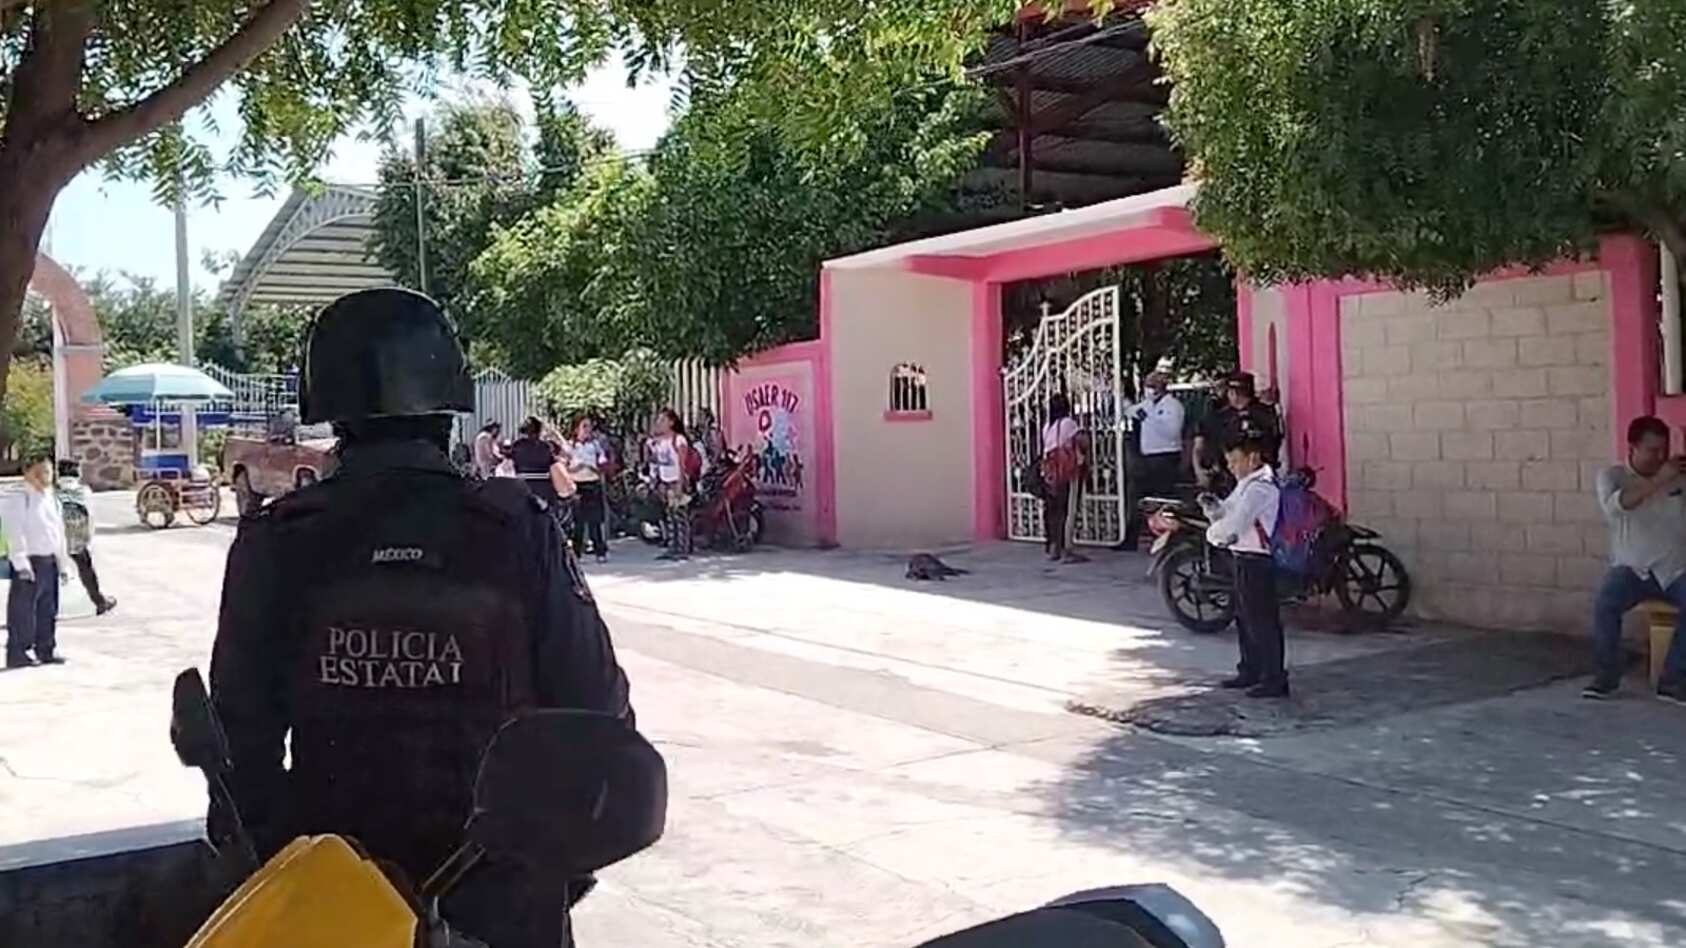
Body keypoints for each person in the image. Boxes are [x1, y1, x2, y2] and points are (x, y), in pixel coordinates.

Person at [208, 288, 634, 948]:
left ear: (326, 407)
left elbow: (240, 748)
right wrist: (548, 875)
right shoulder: (515, 530)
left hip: (334, 904)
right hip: (502, 901)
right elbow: (598, 714)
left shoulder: (278, 540)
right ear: (449, 403)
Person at [1584, 416, 1686, 703]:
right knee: (1605, 604)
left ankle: (1673, 678)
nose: (1659, 457)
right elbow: (1619, 507)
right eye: (1652, 450)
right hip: (1631, 568)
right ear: (1633, 448)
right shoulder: (1613, 476)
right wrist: (1659, 479)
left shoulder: (1677, 475)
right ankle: (1606, 676)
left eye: (1663, 450)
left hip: (1674, 567)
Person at [1204, 433, 1288, 698]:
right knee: (1244, 617)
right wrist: (1213, 509)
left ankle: (1274, 677)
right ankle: (1250, 669)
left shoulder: (1260, 488)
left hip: (1258, 560)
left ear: (1253, 458)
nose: (1231, 467)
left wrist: (1212, 534)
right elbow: (1227, 511)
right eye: (1228, 462)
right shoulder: (1244, 485)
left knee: (1262, 621)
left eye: (1235, 460)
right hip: (1241, 557)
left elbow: (1235, 524)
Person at [3, 451, 69, 668]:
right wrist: (21, 562)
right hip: (30, 561)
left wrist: (62, 562)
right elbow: (15, 532)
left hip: (49, 559)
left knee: (47, 609)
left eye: (48, 472)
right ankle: (18, 652)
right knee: (23, 610)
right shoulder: (20, 497)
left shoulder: (50, 497)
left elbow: (57, 531)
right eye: (40, 472)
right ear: (28, 473)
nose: (45, 477)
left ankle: (45, 648)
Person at [1119, 369, 1185, 549]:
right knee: (1138, 498)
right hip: (1147, 458)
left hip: (1166, 457)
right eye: (1147, 385)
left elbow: (1171, 431)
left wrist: (1149, 419)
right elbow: (1131, 411)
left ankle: (1169, 540)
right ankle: (1130, 540)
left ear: (1161, 388)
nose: (1149, 390)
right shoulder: (1148, 405)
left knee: (1164, 500)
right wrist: (1126, 405)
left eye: (1152, 386)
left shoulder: (1173, 406)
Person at [1194, 371, 1282, 488]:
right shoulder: (1267, 413)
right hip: (1263, 476)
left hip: (1239, 479)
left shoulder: (1225, 417)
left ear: (1233, 393)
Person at [56, 459, 116, 616]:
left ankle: (42, 608)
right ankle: (100, 602)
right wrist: (89, 539)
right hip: (78, 537)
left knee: (47, 574)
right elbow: (91, 517)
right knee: (86, 571)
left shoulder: (52, 492)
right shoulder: (84, 491)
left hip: (55, 537)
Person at [1040, 393, 1086, 564]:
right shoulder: (1068, 424)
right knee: (1067, 509)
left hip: (1050, 472)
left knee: (1052, 510)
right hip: (1066, 471)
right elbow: (1081, 442)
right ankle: (1067, 548)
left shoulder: (1047, 426)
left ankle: (1053, 546)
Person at [648, 409, 693, 561]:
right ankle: (672, 547)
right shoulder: (660, 442)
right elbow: (657, 462)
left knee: (680, 516)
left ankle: (682, 548)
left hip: (676, 481)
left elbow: (682, 464)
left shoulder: (679, 440)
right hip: (665, 481)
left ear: (671, 422)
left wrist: (680, 483)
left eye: (663, 420)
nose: (659, 423)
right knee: (669, 516)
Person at [565, 416, 610, 562]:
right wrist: (574, 469)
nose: (587, 430)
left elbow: (603, 464)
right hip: (577, 484)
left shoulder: (595, 445)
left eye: (589, 427)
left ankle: (600, 551)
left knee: (594, 520)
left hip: (592, 482)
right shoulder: (570, 446)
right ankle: (577, 551)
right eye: (584, 426)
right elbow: (563, 466)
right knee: (578, 521)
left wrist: (595, 468)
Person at [509, 416, 564, 522]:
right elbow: (555, 461)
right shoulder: (545, 447)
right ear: (539, 431)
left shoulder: (516, 446)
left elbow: (510, 461)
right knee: (545, 519)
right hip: (543, 488)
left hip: (522, 487)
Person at [695, 407, 727, 474]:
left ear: (708, 419)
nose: (698, 419)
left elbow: (718, 450)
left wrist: (713, 465)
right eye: (698, 416)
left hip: (713, 466)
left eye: (701, 416)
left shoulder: (713, 432)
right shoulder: (698, 433)